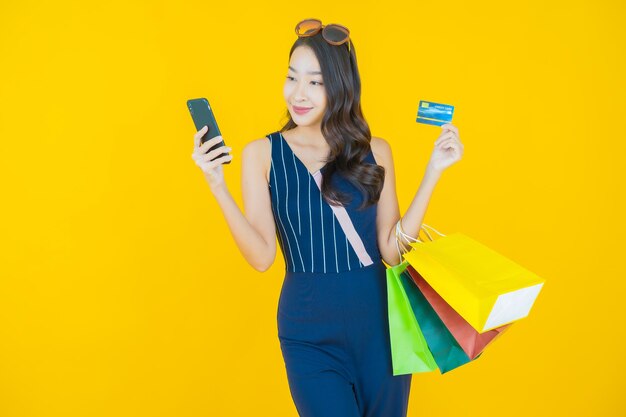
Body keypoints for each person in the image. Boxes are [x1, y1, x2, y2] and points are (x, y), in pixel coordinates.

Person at [191, 18, 464, 417]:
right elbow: (262, 257)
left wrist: (433, 172)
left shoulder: (376, 151)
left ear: (339, 87)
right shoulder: (261, 155)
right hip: (308, 334)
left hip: (381, 331)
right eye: (292, 78)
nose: (298, 94)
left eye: (315, 82)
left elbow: (392, 251)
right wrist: (217, 185)